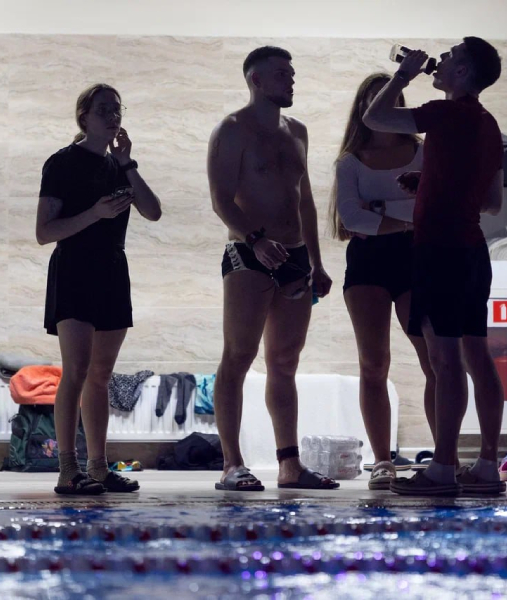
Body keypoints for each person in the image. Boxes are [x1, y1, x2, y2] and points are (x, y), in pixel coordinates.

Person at [362, 37, 506, 496]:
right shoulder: (489, 125)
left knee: (445, 361)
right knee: (476, 356)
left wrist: (404, 74)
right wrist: (431, 181)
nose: (438, 62)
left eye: (448, 57)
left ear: (462, 72)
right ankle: (487, 465)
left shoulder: (445, 113)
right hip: (473, 251)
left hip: (440, 250)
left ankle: (443, 468)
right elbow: (491, 201)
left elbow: (375, 118)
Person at [208, 46, 337, 492]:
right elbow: (221, 200)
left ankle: (289, 465)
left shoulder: (297, 131)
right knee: (238, 356)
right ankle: (232, 465)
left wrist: (316, 261)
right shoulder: (231, 130)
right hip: (248, 254)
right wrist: (256, 240)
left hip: (295, 257)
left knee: (284, 362)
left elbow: (305, 200)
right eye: (282, 74)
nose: (291, 81)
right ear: (256, 80)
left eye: (292, 74)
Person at [36, 84, 162, 495]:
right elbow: (44, 232)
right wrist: (95, 213)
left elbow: (153, 211)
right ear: (84, 117)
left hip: (111, 270)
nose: (112, 116)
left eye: (117, 109)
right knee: (75, 370)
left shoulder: (119, 167)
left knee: (102, 375)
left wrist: (127, 163)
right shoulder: (61, 163)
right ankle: (67, 469)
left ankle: (98, 468)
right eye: (103, 109)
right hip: (74, 268)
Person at [329, 73, 435, 490]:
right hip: (368, 264)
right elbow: (350, 218)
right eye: (373, 101)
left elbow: (432, 205)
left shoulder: (423, 151)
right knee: (373, 364)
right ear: (362, 109)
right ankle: (382, 461)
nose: (381, 108)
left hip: (417, 258)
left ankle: (443, 457)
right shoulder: (350, 161)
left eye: (390, 100)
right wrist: (405, 215)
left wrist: (377, 210)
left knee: (434, 360)